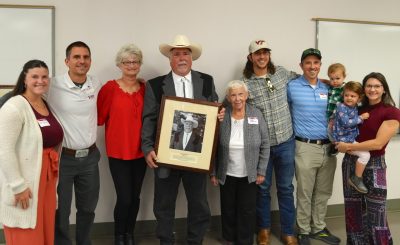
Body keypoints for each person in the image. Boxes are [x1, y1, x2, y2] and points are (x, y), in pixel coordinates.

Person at [141, 34, 221, 245]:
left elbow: (212, 113)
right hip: (165, 155)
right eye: (177, 54)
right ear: (170, 59)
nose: (182, 58)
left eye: (186, 53)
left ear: (192, 58)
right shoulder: (156, 85)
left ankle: (195, 240)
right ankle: (166, 241)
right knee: (163, 204)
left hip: (197, 156)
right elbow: (148, 119)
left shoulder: (207, 81)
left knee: (199, 204)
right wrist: (147, 148)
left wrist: (218, 116)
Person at [0, 60, 63, 244]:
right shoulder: (14, 106)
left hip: (47, 180)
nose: (40, 81)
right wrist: (18, 186)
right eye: (34, 76)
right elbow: (4, 150)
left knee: (44, 232)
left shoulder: (45, 103)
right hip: (25, 181)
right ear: (25, 79)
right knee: (26, 234)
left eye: (44, 77)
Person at [242, 39, 298, 245]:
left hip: (286, 142)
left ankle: (287, 232)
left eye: (265, 52)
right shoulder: (244, 83)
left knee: (285, 189)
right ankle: (264, 230)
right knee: (262, 190)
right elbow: (233, 103)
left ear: (269, 55)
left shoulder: (282, 73)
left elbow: (305, 80)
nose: (262, 56)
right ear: (250, 58)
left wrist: (328, 82)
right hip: (261, 147)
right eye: (257, 53)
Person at [46, 41, 102, 245]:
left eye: (85, 57)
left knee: (87, 208)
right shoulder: (52, 85)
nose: (82, 61)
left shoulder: (95, 83)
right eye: (76, 57)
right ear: (67, 61)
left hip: (89, 159)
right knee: (61, 209)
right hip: (64, 160)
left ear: (90, 61)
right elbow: (25, 93)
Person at [337, 72, 400, 245]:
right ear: (364, 89)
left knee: (376, 210)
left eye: (377, 86)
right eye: (369, 86)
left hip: (375, 164)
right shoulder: (355, 108)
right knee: (353, 208)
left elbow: (378, 144)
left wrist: (348, 146)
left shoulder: (392, 112)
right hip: (351, 162)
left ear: (384, 89)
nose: (373, 89)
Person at [287, 48, 340, 245]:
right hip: (304, 147)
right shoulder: (291, 87)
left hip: (329, 148)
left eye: (316, 63)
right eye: (308, 63)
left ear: (320, 65)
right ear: (301, 65)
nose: (312, 66)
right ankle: (303, 230)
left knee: (323, 192)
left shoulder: (329, 88)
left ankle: (318, 227)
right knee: (305, 192)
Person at [97, 43, 146, 245]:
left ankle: (130, 234)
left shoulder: (145, 88)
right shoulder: (109, 88)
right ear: (120, 64)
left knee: (135, 198)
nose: (131, 65)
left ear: (140, 64)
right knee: (124, 198)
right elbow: (98, 118)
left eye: (135, 61)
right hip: (118, 152)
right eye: (127, 61)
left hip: (141, 152)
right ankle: (119, 235)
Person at [211, 80, 270, 245]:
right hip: (226, 172)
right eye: (233, 95)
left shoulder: (256, 114)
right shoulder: (222, 115)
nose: (237, 99)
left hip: (249, 173)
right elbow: (213, 146)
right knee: (228, 208)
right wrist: (214, 172)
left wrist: (261, 171)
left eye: (240, 94)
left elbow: (265, 144)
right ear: (228, 98)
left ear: (247, 96)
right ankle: (229, 238)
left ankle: (245, 240)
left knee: (247, 210)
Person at [332, 81, 370, 194]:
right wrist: (361, 118)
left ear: (359, 98)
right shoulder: (341, 107)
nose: (349, 98)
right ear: (343, 95)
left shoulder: (355, 106)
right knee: (365, 155)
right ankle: (356, 178)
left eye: (353, 96)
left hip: (349, 138)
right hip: (344, 140)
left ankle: (333, 149)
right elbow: (346, 123)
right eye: (346, 95)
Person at [326, 63, 346, 155]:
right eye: (332, 79)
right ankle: (334, 144)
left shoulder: (345, 88)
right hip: (330, 114)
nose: (334, 81)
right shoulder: (330, 88)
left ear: (344, 77)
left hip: (339, 115)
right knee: (329, 130)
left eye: (337, 78)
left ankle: (336, 145)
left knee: (332, 129)